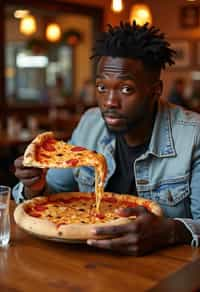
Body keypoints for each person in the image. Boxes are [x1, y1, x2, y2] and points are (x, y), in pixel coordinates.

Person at [13, 21, 200, 256]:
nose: (110, 102)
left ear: (155, 90)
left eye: (125, 89)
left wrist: (170, 231)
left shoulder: (194, 135)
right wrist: (35, 186)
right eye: (102, 88)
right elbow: (54, 194)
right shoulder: (90, 122)